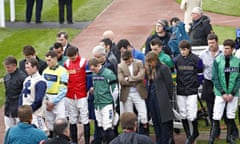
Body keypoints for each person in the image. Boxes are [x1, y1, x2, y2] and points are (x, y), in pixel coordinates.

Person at [209, 39, 240, 144]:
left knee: (230, 115)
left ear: (232, 49)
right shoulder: (217, 60)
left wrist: (232, 93)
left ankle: (229, 138)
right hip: (220, 93)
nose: (225, 50)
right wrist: (222, 92)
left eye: (227, 48)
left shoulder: (238, 61)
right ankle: (211, 139)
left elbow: (239, 79)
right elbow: (215, 77)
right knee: (216, 115)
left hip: (233, 94)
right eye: (224, 48)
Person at [174, 40, 203, 144]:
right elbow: (174, 73)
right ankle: (188, 135)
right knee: (183, 114)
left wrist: (197, 84)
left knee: (192, 113)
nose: (182, 52)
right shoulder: (176, 60)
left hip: (192, 90)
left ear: (189, 49)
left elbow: (200, 74)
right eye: (181, 50)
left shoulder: (197, 59)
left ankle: (195, 132)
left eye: (184, 50)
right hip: (181, 90)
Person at [145, 51, 175, 144]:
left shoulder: (163, 68)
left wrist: (167, 97)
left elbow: (169, 84)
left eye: (150, 62)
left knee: (163, 124)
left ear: (155, 60)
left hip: (161, 99)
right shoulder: (151, 69)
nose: (149, 64)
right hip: (152, 98)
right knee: (156, 123)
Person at [64, 46, 90, 144]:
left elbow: (88, 78)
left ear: (77, 54)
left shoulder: (84, 62)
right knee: (72, 118)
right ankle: (74, 142)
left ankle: (86, 142)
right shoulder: (66, 63)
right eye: (70, 57)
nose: (72, 59)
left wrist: (86, 90)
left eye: (73, 57)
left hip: (81, 94)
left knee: (84, 118)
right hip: (70, 95)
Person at [118, 50, 148, 135]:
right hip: (127, 94)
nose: (127, 62)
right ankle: (132, 135)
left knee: (143, 114)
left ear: (131, 57)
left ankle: (144, 134)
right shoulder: (120, 66)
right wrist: (135, 78)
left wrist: (129, 79)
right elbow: (121, 81)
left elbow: (141, 76)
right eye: (125, 61)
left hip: (138, 93)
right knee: (129, 116)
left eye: (128, 60)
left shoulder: (139, 63)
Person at [199, 33, 223, 137]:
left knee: (221, 107)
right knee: (210, 107)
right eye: (209, 43)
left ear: (217, 42)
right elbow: (200, 70)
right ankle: (214, 130)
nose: (211, 45)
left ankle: (225, 129)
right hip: (208, 82)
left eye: (213, 43)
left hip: (221, 83)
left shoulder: (223, 54)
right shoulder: (203, 54)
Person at [89, 58, 117, 143]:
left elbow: (115, 90)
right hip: (97, 104)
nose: (93, 71)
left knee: (107, 126)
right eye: (91, 69)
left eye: (94, 69)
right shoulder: (94, 74)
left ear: (98, 65)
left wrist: (114, 104)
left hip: (106, 104)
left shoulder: (108, 74)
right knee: (100, 125)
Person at [42, 51, 69, 138]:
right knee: (49, 122)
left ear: (55, 59)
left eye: (49, 60)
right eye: (46, 60)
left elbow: (63, 90)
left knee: (61, 122)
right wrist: (46, 101)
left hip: (58, 100)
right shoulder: (45, 71)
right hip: (47, 99)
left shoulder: (63, 71)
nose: (47, 62)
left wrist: (53, 102)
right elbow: (43, 88)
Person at [19, 57, 47, 131]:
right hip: (26, 115)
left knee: (42, 135)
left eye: (28, 67)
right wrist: (20, 109)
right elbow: (21, 95)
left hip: (36, 116)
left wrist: (27, 112)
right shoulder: (27, 79)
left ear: (35, 67)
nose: (26, 69)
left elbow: (38, 101)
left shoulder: (41, 81)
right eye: (26, 67)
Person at [3, 56, 27, 131]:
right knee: (9, 130)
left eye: (8, 67)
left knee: (20, 130)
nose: (7, 69)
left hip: (18, 108)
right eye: (6, 67)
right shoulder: (6, 76)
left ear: (15, 66)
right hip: (8, 107)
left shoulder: (22, 77)